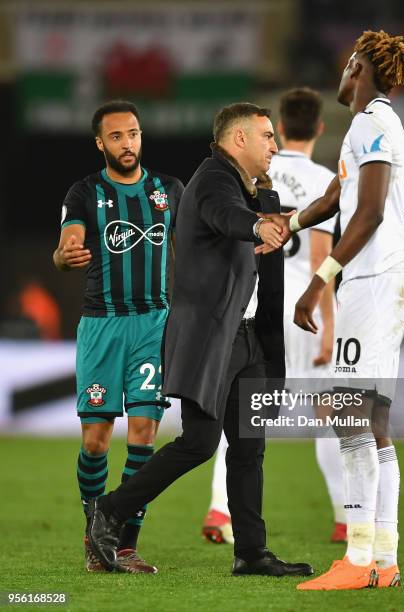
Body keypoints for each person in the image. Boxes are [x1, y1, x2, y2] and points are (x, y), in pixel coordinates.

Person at [86, 103, 313, 578]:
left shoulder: (260, 191)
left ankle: (251, 552)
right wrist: (255, 225)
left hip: (250, 339)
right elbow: (225, 216)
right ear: (239, 140)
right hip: (214, 339)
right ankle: (108, 511)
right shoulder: (212, 178)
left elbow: (263, 256)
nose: (275, 144)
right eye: (267, 136)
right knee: (200, 443)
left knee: (249, 447)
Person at [268, 30, 404, 590]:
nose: (341, 72)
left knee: (349, 415)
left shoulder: (371, 123)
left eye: (347, 64)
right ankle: (383, 558)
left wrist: (318, 282)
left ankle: (358, 560)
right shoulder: (371, 126)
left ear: (358, 67)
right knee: (372, 421)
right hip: (384, 280)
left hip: (374, 281)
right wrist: (294, 222)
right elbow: (341, 194)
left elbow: (371, 211)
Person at [202, 87, 347, 546]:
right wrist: (328, 324)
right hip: (304, 305)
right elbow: (322, 252)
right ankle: (345, 516)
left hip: (254, 304)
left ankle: (219, 512)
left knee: (240, 412)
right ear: (319, 128)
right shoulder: (325, 178)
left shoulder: (254, 171)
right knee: (329, 414)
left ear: (280, 128)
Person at [53, 100, 184, 574]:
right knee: (96, 440)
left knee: (145, 434)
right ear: (100, 144)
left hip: (154, 323)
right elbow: (66, 244)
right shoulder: (85, 191)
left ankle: (124, 544)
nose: (127, 143)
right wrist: (64, 256)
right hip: (103, 325)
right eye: (116, 137)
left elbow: (192, 248)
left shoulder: (169, 190)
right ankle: (94, 535)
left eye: (133, 133)